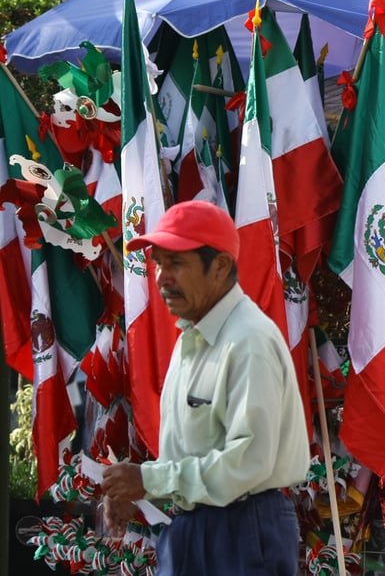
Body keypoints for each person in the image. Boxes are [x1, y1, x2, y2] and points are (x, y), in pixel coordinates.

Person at [100, 200, 310, 576]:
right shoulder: (192, 338)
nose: (162, 277)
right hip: (201, 529)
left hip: (242, 529)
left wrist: (148, 480)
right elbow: (196, 453)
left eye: (176, 263)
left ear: (220, 266)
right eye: (159, 263)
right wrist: (144, 490)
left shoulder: (249, 340)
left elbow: (247, 462)